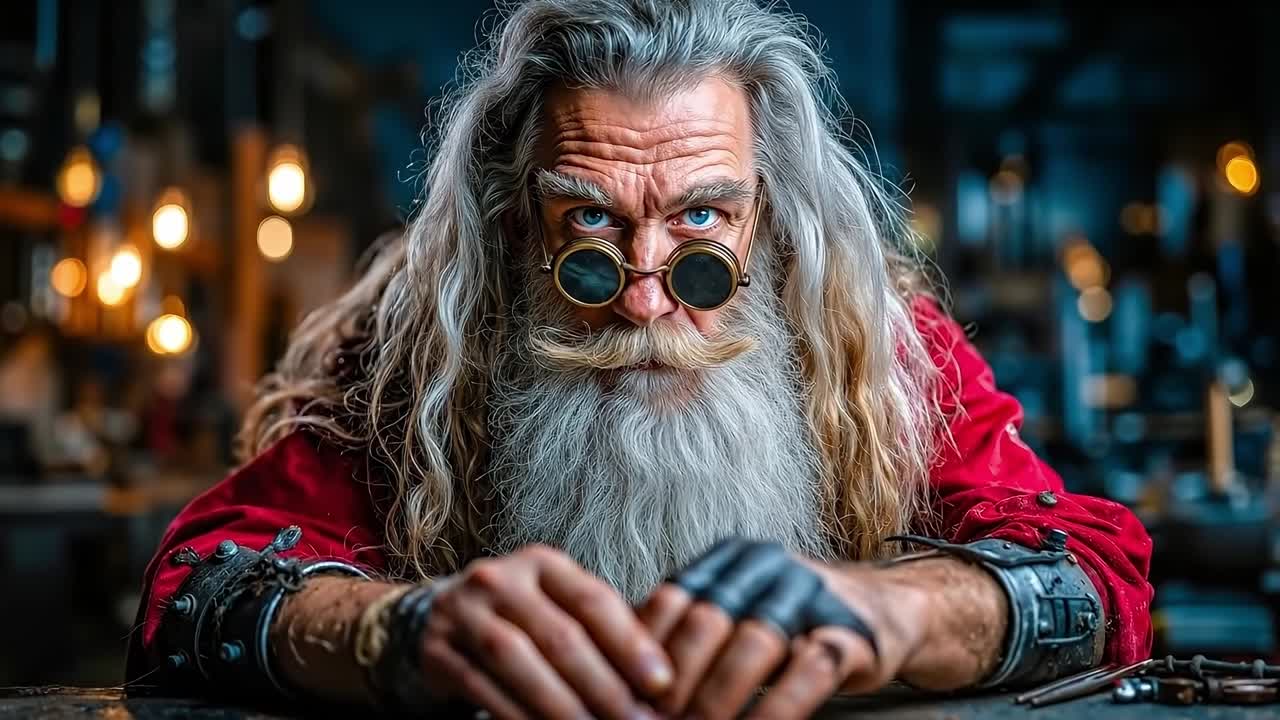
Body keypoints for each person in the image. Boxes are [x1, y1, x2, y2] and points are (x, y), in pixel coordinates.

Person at [126, 1, 1153, 718]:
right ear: (516, 225)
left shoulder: (878, 349)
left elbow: (1097, 573)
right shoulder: (413, 361)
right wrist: (390, 635)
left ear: (769, 221)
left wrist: (902, 611)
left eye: (701, 218)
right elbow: (189, 590)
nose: (645, 295)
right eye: (587, 222)